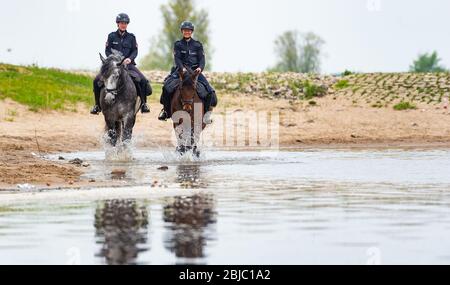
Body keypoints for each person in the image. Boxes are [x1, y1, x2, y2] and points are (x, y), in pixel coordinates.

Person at [91, 13, 151, 115]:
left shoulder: (131, 37)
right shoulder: (111, 36)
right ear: (117, 24)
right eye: (121, 23)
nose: (123, 25)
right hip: (114, 65)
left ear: (127, 24)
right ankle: (97, 105)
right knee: (97, 80)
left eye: (125, 23)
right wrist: (113, 59)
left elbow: (135, 51)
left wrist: (129, 59)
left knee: (143, 81)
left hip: (128, 65)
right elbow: (107, 51)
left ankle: (144, 104)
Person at [158, 21, 217, 123]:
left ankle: (207, 115)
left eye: (189, 30)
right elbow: (177, 59)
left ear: (191, 32)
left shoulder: (198, 45)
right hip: (181, 71)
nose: (187, 32)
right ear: (182, 31)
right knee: (166, 88)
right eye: (185, 30)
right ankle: (166, 111)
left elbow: (202, 59)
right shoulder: (178, 44)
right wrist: (182, 68)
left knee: (210, 91)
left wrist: (200, 68)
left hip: (195, 72)